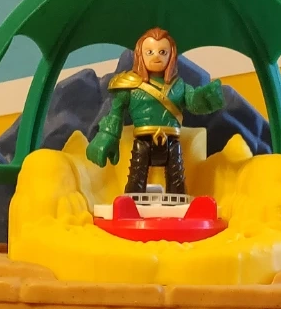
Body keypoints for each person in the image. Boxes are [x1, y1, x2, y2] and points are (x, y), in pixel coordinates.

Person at [87, 27, 224, 195]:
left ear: (171, 55)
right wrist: (106, 136)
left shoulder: (179, 86)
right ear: (140, 55)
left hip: (172, 141)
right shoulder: (130, 85)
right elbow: (116, 112)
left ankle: (177, 201)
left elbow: (193, 102)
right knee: (136, 179)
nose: (156, 56)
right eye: (150, 52)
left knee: (177, 182)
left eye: (162, 52)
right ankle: (132, 200)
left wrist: (206, 97)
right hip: (143, 141)